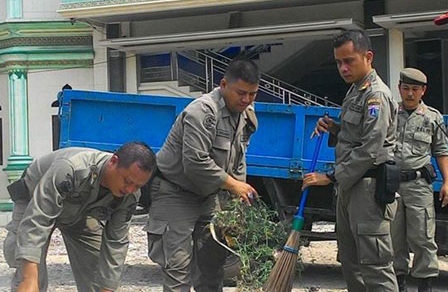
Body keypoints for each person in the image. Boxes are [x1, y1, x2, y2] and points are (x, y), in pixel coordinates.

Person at [146, 57, 260, 292]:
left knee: (211, 268)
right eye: (241, 93)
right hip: (175, 193)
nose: (246, 99)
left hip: (209, 197)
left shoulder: (244, 112)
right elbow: (195, 162)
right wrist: (233, 185)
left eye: (252, 94)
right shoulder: (202, 111)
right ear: (224, 84)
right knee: (178, 269)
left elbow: (238, 157)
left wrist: (239, 191)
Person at [302, 29, 399, 291]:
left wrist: (331, 176)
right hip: (350, 188)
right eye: (338, 62)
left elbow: (370, 148)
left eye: (349, 61)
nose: (343, 68)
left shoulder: (376, 95)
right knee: (350, 261)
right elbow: (354, 135)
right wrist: (334, 127)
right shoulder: (356, 91)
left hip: (368, 190)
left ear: (368, 57)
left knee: (375, 265)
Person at [3, 142, 156, 292]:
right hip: (35, 202)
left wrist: (107, 288)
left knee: (99, 278)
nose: (130, 189)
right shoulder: (71, 168)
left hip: (80, 214)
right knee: (30, 272)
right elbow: (37, 219)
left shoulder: (130, 195)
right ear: (113, 162)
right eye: (127, 181)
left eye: (137, 186)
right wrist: (29, 279)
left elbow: (116, 242)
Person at [391, 68, 448, 292]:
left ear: (423, 91)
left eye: (415, 89)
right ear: (400, 89)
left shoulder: (432, 117)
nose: (410, 94)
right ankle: (399, 283)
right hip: (391, 184)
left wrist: (446, 182)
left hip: (419, 186)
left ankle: (425, 285)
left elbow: (442, 151)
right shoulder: (390, 113)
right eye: (406, 88)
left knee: (423, 237)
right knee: (394, 237)